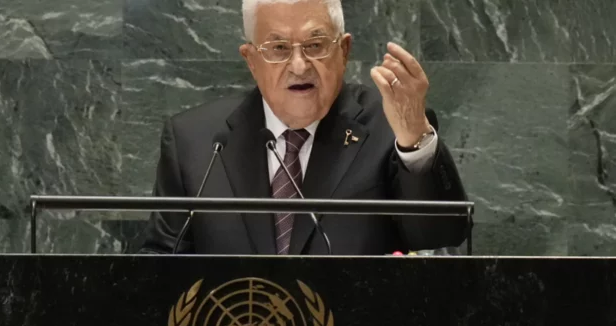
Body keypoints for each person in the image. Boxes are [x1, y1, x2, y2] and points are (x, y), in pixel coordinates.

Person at [140, 0, 469, 255]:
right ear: (251, 61)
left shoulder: (390, 126)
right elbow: (160, 265)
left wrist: (414, 139)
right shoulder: (194, 140)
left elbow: (441, 235)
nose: (299, 66)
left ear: (343, 51)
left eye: (315, 46)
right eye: (279, 49)